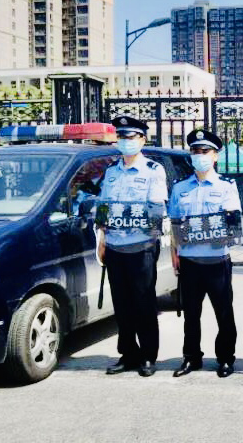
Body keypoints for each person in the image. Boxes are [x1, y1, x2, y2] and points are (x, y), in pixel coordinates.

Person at [96, 115, 167, 378]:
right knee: (122, 305)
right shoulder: (111, 171)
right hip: (115, 247)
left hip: (141, 247)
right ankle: (128, 353)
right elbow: (104, 206)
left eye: (130, 137)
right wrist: (102, 238)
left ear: (142, 140)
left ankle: (148, 355)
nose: (125, 141)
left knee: (143, 303)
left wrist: (127, 218)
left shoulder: (153, 170)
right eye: (121, 136)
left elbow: (156, 210)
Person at [169, 129, 241, 378]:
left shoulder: (226, 186)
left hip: (217, 260)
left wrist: (202, 230)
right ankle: (191, 357)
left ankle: (226, 358)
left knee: (224, 312)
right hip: (189, 261)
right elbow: (174, 223)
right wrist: (174, 252)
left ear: (215, 156)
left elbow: (232, 225)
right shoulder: (180, 188)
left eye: (205, 151)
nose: (199, 155)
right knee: (191, 314)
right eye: (195, 151)